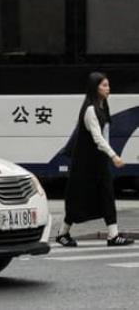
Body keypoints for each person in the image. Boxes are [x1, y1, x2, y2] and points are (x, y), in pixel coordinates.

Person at [56, 72, 134, 247]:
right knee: (78, 197)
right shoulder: (90, 110)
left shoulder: (102, 106)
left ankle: (113, 235)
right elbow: (98, 138)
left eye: (108, 85)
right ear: (95, 87)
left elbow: (104, 137)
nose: (108, 89)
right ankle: (62, 233)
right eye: (104, 85)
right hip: (85, 163)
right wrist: (114, 156)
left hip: (98, 161)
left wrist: (108, 156)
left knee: (106, 193)